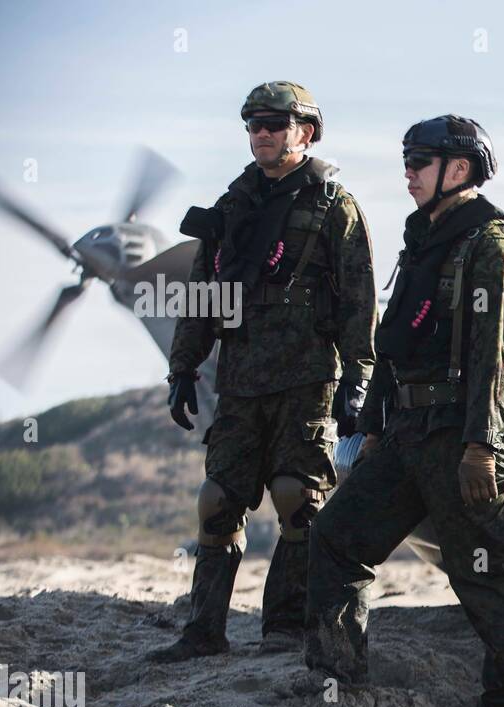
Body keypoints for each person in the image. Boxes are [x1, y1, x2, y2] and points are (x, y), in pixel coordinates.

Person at [306, 115, 504, 707]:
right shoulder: (422, 245)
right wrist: (377, 426)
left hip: (460, 437)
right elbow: (393, 345)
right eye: (406, 160)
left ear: (457, 170)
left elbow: (500, 359)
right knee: (335, 537)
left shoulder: (493, 249)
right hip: (408, 432)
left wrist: (482, 447)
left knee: (488, 572)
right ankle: (337, 677)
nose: (406, 172)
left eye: (419, 161)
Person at [150, 81, 376, 662]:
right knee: (216, 501)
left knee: (296, 497)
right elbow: (201, 296)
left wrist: (359, 379)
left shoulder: (333, 204)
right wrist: (182, 370)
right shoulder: (231, 207)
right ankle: (203, 631)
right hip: (242, 381)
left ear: (304, 132)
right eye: (253, 124)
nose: (262, 133)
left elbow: (358, 299)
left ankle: (282, 628)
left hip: (308, 381)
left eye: (275, 123)